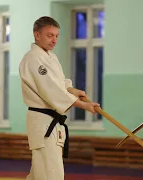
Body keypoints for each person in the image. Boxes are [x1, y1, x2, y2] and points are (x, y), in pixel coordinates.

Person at [19, 16, 100, 180]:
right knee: (50, 174)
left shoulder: (50, 57)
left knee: (39, 174)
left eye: (57, 36)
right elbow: (51, 90)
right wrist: (83, 106)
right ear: (37, 34)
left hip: (50, 122)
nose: (54, 40)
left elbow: (59, 84)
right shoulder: (34, 58)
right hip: (42, 121)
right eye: (50, 35)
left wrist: (72, 90)